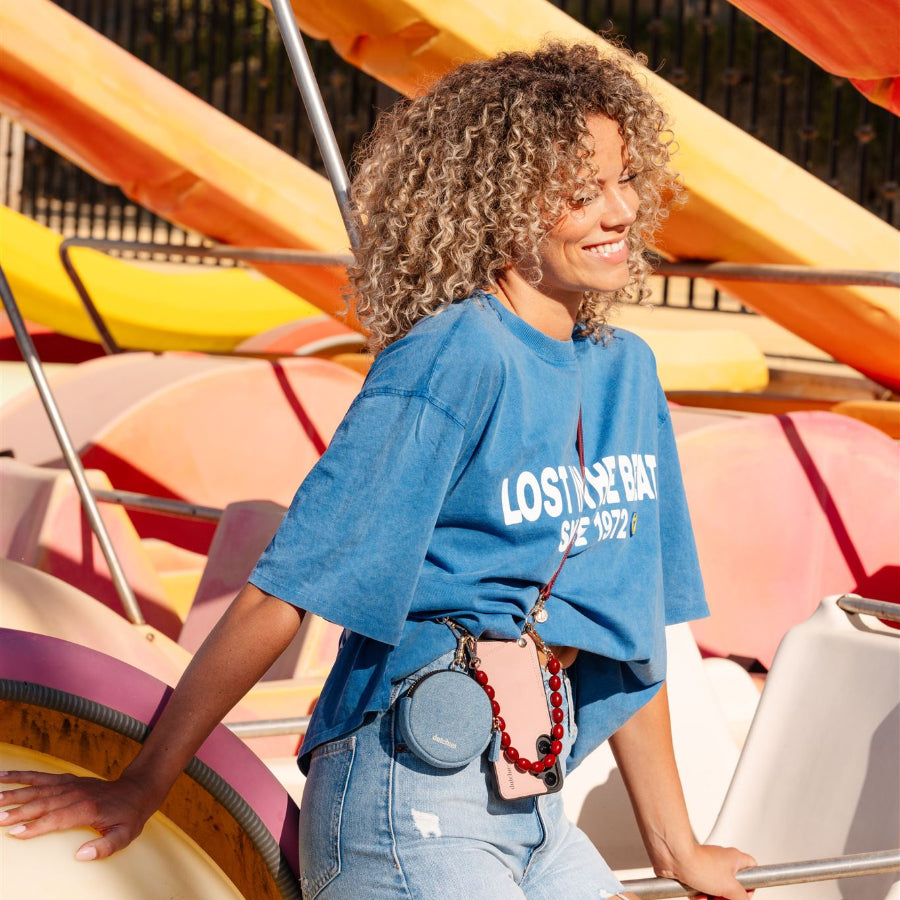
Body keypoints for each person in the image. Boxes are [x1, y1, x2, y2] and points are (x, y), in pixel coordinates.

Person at [0, 42, 755, 899]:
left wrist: (678, 848)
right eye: (582, 192)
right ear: (499, 206)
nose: (619, 211)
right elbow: (285, 589)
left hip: (534, 806)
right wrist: (143, 784)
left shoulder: (627, 373)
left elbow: (630, 624)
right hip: (409, 794)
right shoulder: (452, 359)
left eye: (624, 180)